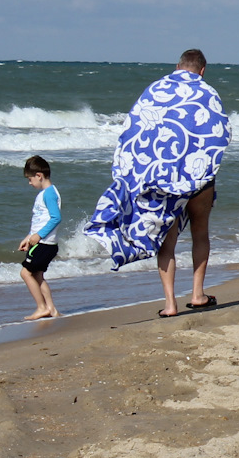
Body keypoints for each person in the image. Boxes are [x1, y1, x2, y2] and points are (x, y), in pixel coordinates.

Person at [84, 49, 231, 317]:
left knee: (167, 240)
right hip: (199, 178)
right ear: (202, 70)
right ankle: (198, 294)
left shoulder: (155, 89)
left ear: (177, 66)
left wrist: (132, 173)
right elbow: (219, 131)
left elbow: (135, 130)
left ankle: (170, 304)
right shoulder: (208, 92)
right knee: (200, 234)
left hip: (164, 179)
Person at [17, 155, 62, 320]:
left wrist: (38, 236)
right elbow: (40, 221)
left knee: (25, 273)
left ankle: (41, 307)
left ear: (39, 176)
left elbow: (56, 217)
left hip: (44, 243)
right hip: (45, 242)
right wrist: (29, 237)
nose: (30, 183)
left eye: (30, 179)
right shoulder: (50, 192)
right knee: (37, 275)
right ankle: (52, 309)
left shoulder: (48, 194)